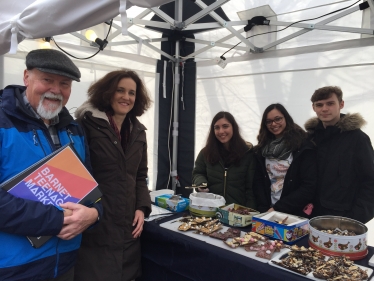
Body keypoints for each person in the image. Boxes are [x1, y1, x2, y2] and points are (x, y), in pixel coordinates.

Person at [0, 49, 102, 281]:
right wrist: (56, 220)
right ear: (26, 77)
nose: (56, 91)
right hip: (14, 268)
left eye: (64, 84)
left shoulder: (74, 129)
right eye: (47, 80)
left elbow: (90, 190)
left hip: (64, 263)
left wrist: (95, 214)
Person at [74, 70, 152, 281]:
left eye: (132, 93)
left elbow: (140, 176)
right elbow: (76, 174)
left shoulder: (138, 131)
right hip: (97, 223)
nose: (126, 97)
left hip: (128, 227)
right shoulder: (87, 125)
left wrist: (141, 207)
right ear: (108, 92)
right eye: (120, 90)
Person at [305, 86, 374, 224]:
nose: (324, 109)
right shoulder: (310, 138)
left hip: (343, 218)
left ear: (341, 104)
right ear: (314, 108)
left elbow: (370, 181)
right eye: (319, 105)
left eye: (330, 103)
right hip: (309, 216)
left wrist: (354, 219)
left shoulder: (358, 139)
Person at [253, 104, 317, 217]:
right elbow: (259, 183)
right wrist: (265, 209)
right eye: (269, 121)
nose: (273, 124)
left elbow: (309, 187)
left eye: (278, 119)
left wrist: (278, 208)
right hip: (267, 211)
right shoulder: (261, 149)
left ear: (286, 118)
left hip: (294, 213)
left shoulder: (302, 146)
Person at [192, 111, 256, 208]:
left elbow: (252, 188)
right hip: (211, 210)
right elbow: (197, 173)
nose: (221, 131)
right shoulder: (206, 153)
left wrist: (250, 213)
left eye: (225, 126)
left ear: (233, 127)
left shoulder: (247, 153)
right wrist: (201, 183)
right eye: (217, 127)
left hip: (237, 213)